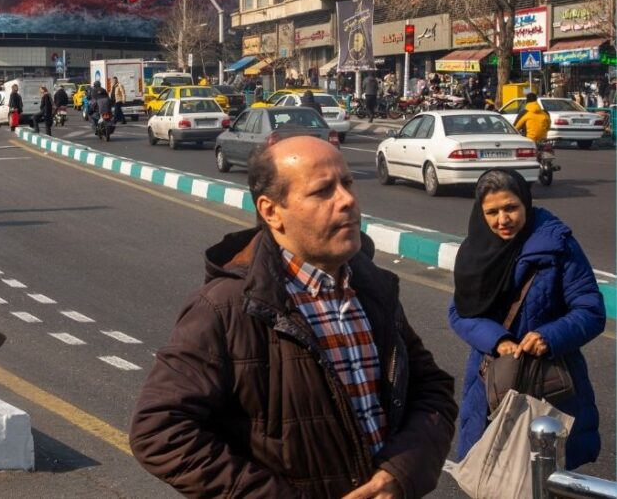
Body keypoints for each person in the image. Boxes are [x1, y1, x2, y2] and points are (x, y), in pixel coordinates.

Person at [130, 137, 457, 499]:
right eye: (322, 191)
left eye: (347, 183)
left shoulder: (371, 288)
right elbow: (158, 432)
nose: (347, 200)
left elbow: (432, 391)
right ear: (272, 212)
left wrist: (399, 472)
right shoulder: (226, 308)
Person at [449, 169, 604, 470]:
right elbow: (458, 311)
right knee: (493, 470)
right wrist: (497, 339)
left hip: (548, 380)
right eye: (492, 212)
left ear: (526, 203)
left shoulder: (558, 246)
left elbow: (591, 309)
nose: (502, 220)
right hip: (492, 380)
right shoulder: (474, 251)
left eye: (511, 208)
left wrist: (550, 336)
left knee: (546, 473)